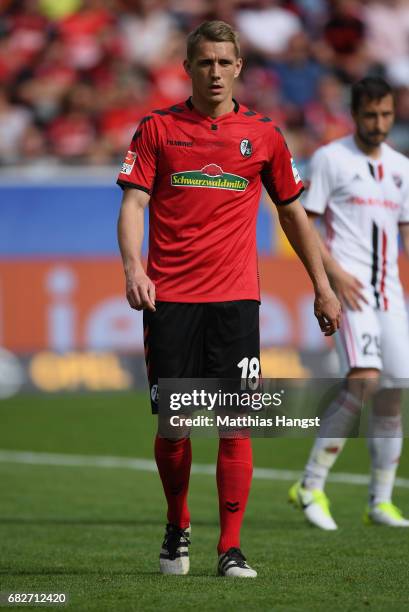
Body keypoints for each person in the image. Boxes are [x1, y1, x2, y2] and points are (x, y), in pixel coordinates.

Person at [116, 20, 340, 577]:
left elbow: (292, 213)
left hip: (237, 302)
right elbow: (133, 206)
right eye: (204, 62)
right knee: (174, 426)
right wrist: (132, 267)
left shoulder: (263, 135)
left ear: (239, 67)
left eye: (224, 62)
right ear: (187, 67)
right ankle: (177, 528)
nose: (214, 71)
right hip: (170, 301)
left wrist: (322, 284)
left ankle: (230, 548)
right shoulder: (157, 129)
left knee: (236, 422)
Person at [289, 76, 409, 529]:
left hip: (390, 296)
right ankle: (310, 484)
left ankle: (380, 501)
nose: (378, 124)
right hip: (350, 293)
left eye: (385, 115)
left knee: (394, 392)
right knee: (363, 381)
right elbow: (305, 224)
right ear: (354, 114)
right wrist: (334, 276)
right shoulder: (330, 159)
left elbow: (405, 232)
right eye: (370, 115)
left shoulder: (402, 168)